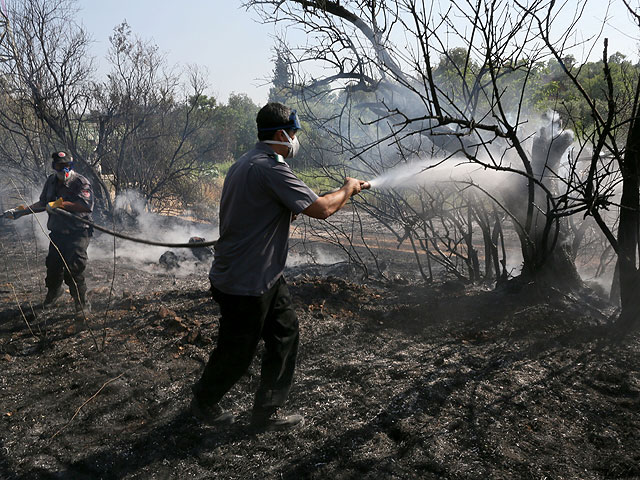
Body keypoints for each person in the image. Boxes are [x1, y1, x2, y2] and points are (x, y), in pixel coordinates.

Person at [191, 102, 370, 431]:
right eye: (293, 133)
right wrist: (348, 188)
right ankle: (203, 401)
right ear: (280, 134)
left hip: (262, 275)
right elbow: (321, 210)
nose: (295, 140)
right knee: (237, 351)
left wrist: (329, 196)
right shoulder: (271, 167)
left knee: (285, 332)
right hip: (246, 279)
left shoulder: (245, 163)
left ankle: (267, 411)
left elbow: (284, 208)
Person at [3, 151, 94, 315]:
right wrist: (20, 212)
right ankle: (54, 293)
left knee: (74, 269)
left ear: (71, 166)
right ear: (54, 166)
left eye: (67, 166)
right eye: (60, 166)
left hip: (78, 232)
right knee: (53, 266)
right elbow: (43, 203)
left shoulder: (80, 182)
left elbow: (85, 206)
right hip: (58, 232)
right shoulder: (51, 181)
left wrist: (61, 204)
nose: (63, 169)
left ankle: (82, 306)